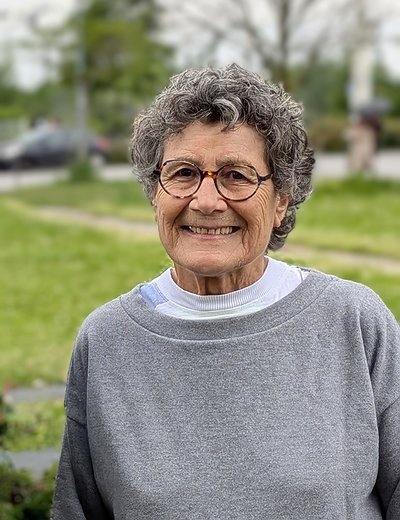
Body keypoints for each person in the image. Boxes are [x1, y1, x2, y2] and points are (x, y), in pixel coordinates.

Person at [52, 64, 400, 519]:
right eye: (183, 173)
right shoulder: (106, 342)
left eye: (236, 175)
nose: (206, 201)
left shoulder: (353, 322)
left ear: (281, 200)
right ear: (155, 193)